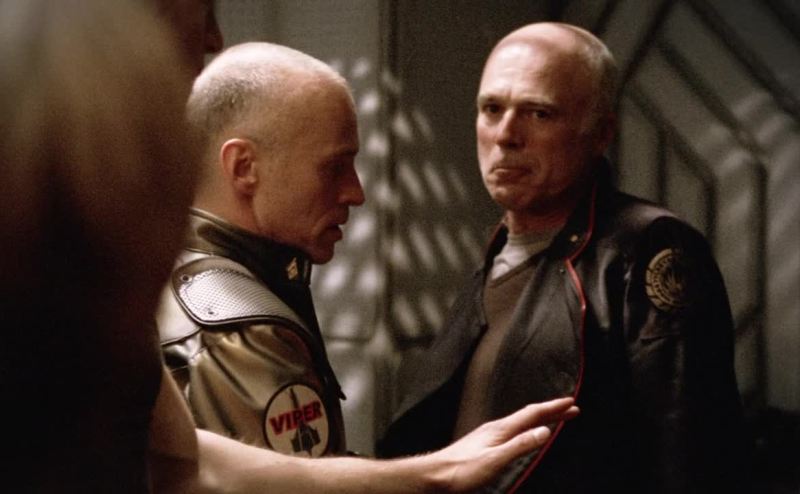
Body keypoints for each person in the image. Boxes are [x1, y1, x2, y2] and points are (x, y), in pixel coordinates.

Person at [0, 0, 580, 491]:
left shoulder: (106, 303)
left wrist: (433, 474)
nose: (214, 38)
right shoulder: (217, 315)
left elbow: (187, 461)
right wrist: (431, 475)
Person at [378, 22, 748, 493]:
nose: (506, 135)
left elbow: (694, 457)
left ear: (600, 133)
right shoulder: (501, 248)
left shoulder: (648, 246)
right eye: (492, 109)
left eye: (539, 113)